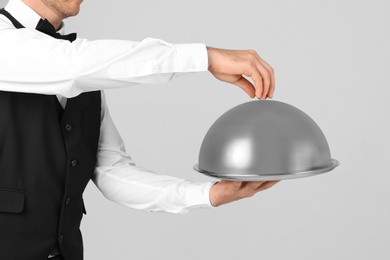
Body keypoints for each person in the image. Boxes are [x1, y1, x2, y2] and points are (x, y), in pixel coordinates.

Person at [0, 0, 278, 259]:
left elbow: (111, 171)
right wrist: (204, 57)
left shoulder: (88, 71)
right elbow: (72, 65)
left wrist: (207, 195)